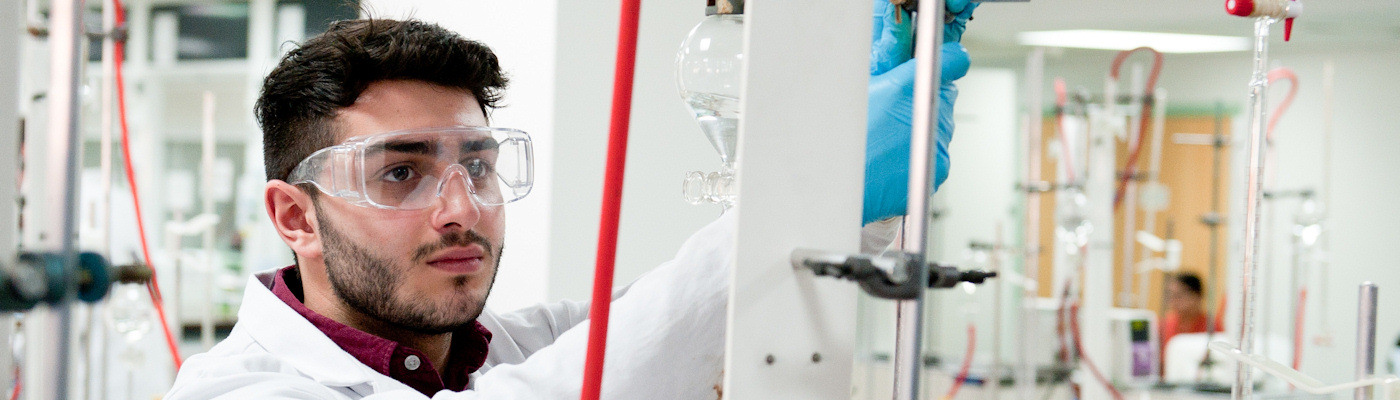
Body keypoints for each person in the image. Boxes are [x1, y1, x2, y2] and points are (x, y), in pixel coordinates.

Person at [167, 2, 975, 398]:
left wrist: (845, 186)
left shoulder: (520, 345)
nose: (462, 208)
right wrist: (800, 187)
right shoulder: (237, 389)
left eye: (478, 165)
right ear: (296, 217)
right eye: (401, 173)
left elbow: (712, 321)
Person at [1161, 273, 1223, 351]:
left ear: (1197, 296)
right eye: (1171, 295)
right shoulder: (1165, 325)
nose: (1173, 300)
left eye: (1179, 295)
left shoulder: (1212, 326)